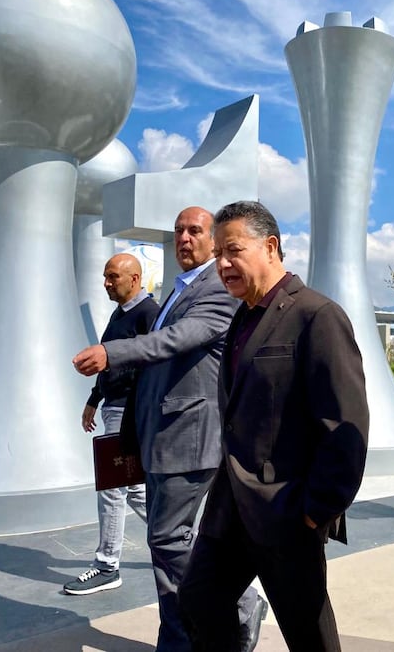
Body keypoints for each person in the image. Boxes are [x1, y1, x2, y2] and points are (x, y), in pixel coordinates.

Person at [178, 200, 370, 652]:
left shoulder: (316, 316)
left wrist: (314, 510)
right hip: (230, 507)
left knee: (308, 633)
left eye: (234, 251)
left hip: (285, 511)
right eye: (218, 253)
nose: (222, 264)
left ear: (270, 246)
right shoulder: (242, 316)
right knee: (200, 599)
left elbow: (345, 422)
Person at [72, 207, 265, 652]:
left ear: (213, 239)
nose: (183, 238)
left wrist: (112, 352)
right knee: (169, 540)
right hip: (158, 434)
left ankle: (233, 606)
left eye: (194, 230)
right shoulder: (180, 289)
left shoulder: (216, 287)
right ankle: (189, 629)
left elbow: (178, 339)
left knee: (167, 538)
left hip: (190, 434)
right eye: (178, 230)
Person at [63, 253, 158, 595]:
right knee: (131, 489)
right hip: (113, 409)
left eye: (113, 277)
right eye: (105, 276)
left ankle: (107, 565)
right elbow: (110, 363)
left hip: (129, 412)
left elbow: (153, 365)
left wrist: (134, 413)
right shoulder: (119, 317)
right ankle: (186, 540)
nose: (106, 283)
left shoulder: (149, 314)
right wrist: (93, 399)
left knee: (112, 488)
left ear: (134, 279)